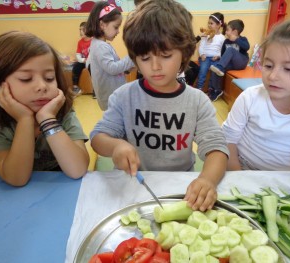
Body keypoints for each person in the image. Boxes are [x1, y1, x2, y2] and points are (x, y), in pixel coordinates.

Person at [90, 0, 229, 211]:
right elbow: (98, 138)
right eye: (144, 58)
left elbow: (217, 148)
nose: (155, 67)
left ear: (184, 53)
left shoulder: (196, 101)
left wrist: (207, 180)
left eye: (165, 56)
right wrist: (116, 146)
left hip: (182, 187)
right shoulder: (124, 96)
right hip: (135, 186)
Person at [0, 31, 90, 186]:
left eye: (49, 78)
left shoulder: (63, 112)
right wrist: (25, 120)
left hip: (60, 187)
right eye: (26, 79)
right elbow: (16, 179)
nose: (42, 86)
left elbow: (77, 169)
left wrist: (48, 119)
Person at [222, 17, 290, 174]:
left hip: (283, 183)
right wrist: (240, 178)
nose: (273, 76)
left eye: (288, 68)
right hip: (240, 171)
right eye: (268, 66)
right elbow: (228, 141)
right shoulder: (250, 98)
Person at [85, 2, 135, 111]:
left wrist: (126, 70)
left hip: (114, 96)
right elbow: (112, 68)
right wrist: (132, 57)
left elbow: (110, 68)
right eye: (116, 27)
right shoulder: (100, 47)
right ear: (102, 25)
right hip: (111, 99)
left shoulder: (100, 45)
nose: (118, 31)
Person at [209, 19, 250, 101]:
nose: (226, 32)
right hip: (231, 64)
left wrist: (236, 40)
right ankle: (216, 90)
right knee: (215, 67)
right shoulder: (226, 41)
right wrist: (219, 58)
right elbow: (223, 54)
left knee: (230, 50)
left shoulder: (242, 39)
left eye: (228, 30)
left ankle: (219, 67)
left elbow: (247, 47)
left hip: (241, 62)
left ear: (235, 32)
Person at [196, 12, 226, 92]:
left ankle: (211, 88)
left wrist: (218, 56)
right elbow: (201, 46)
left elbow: (222, 50)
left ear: (219, 25)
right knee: (203, 70)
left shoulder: (222, 38)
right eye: (208, 23)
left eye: (211, 23)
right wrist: (202, 54)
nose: (209, 25)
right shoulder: (206, 35)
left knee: (215, 71)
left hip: (215, 59)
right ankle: (199, 88)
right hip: (205, 57)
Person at [72, 21, 92, 96]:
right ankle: (76, 87)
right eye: (79, 30)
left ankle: (96, 90)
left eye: (83, 30)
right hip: (83, 62)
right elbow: (78, 55)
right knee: (76, 66)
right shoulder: (80, 42)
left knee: (92, 68)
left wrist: (88, 61)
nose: (80, 32)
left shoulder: (93, 41)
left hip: (91, 62)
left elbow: (93, 54)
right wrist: (83, 60)